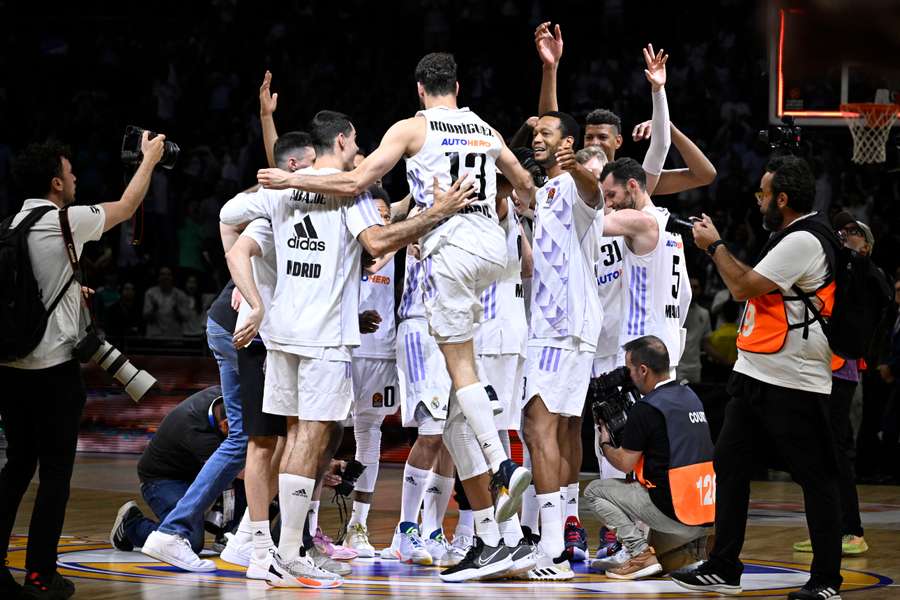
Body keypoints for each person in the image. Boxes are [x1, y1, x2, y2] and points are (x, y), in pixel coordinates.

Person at [256, 52, 538, 581]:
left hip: (448, 255)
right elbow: (524, 185)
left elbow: (352, 183)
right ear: (458, 84)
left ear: (418, 89)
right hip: (493, 254)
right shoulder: (486, 127)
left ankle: (503, 469)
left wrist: (288, 180)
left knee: (459, 375)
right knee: (456, 404)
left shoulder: (412, 129)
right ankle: (494, 538)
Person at [222, 109, 476, 587]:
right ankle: (291, 550)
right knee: (309, 440)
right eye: (357, 144)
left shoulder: (280, 187)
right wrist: (437, 213)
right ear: (340, 142)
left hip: (282, 334)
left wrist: (256, 301)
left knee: (292, 439)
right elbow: (378, 241)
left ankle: (265, 549)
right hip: (322, 338)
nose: (360, 154)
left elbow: (227, 224)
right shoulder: (348, 191)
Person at [0, 132, 166, 599]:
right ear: (56, 182)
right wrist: (149, 160)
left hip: (10, 369)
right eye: (70, 173)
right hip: (53, 374)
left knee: (16, 469)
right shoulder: (65, 220)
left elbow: (29, 292)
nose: (75, 180)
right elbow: (127, 206)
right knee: (54, 475)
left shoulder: (11, 224)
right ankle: (39, 576)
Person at [673, 155, 843, 600]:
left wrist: (713, 246)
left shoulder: (804, 239)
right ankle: (724, 563)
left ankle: (827, 581)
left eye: (763, 193)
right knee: (729, 465)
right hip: (755, 373)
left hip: (794, 380)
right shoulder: (790, 234)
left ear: (782, 199)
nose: (757, 199)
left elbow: (743, 286)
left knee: (816, 478)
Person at [216, 128, 317, 579]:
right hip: (258, 339)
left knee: (290, 442)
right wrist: (249, 296)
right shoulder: (269, 210)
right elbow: (229, 228)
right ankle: (257, 551)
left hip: (289, 340)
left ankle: (251, 542)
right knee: (260, 444)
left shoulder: (311, 207)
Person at [521, 108, 603, 580]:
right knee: (562, 428)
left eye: (546, 133)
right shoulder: (548, 187)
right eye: (535, 133)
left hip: (561, 326)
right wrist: (549, 69)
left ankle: (550, 549)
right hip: (566, 327)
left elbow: (593, 192)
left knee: (538, 426)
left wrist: (574, 166)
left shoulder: (574, 182)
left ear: (568, 141)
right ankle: (562, 534)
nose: (537, 138)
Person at [791, 212, 890, 557]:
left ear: (868, 242)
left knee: (837, 450)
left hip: (842, 370)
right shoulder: (838, 271)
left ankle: (852, 530)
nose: (847, 235)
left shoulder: (868, 274)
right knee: (819, 451)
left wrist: (859, 260)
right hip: (819, 367)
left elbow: (881, 301)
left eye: (855, 232)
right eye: (843, 231)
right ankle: (829, 531)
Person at [585, 336, 714, 580]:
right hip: (705, 511)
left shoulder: (647, 408)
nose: (628, 375)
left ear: (643, 370)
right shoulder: (690, 396)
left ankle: (640, 554)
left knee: (594, 491)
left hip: (675, 514)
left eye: (630, 369)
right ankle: (689, 550)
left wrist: (604, 443)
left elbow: (624, 463)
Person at [109, 386, 231, 553]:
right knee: (189, 541)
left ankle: (230, 533)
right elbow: (236, 472)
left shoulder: (225, 396)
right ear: (225, 425)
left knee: (247, 470)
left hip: (191, 473)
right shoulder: (197, 431)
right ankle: (131, 525)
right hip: (162, 480)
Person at [677, 277, 711, 384]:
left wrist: (726, 361)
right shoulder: (675, 313)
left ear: (700, 290)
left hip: (695, 368)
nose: (692, 289)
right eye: (689, 286)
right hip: (677, 367)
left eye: (695, 287)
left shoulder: (704, 314)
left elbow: (705, 343)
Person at [142, 266, 191, 338]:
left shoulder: (180, 294)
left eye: (168, 274)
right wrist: (154, 309)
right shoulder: (150, 293)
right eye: (162, 274)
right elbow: (145, 317)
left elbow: (186, 318)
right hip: (154, 336)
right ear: (158, 277)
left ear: (172, 277)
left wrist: (177, 309)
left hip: (174, 336)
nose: (165, 277)